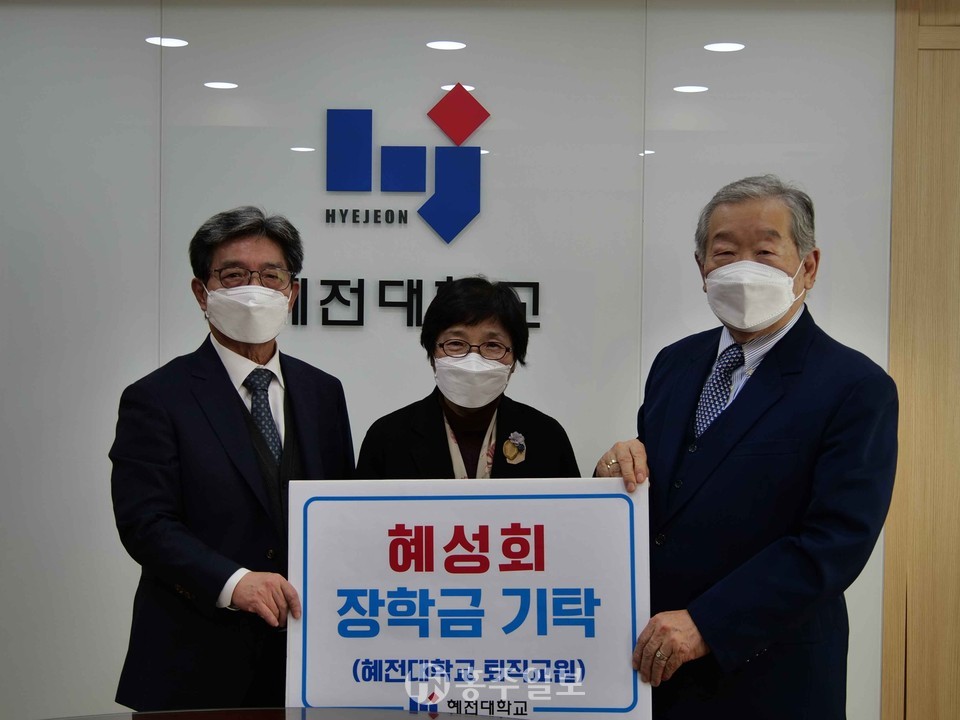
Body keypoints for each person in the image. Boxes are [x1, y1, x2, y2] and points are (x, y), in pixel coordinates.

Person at [595, 175, 898, 719]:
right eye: (725, 252)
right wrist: (617, 471)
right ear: (701, 269)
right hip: (654, 666)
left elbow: (834, 543)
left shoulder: (855, 385)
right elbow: (673, 490)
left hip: (771, 674)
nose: (742, 267)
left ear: (808, 267)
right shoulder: (674, 363)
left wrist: (708, 623)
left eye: (765, 251)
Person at [110, 206, 354, 711]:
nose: (254, 288)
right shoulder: (156, 397)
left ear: (292, 292)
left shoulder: (323, 392)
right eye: (234, 275)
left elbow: (341, 512)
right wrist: (233, 581)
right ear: (202, 292)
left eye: (271, 275)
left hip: (307, 661)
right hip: (194, 663)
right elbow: (145, 523)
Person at [356, 276, 580, 480]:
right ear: (432, 355)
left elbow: (574, 508)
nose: (473, 361)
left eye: (492, 345)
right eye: (456, 343)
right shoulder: (387, 438)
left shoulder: (547, 437)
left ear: (513, 361)